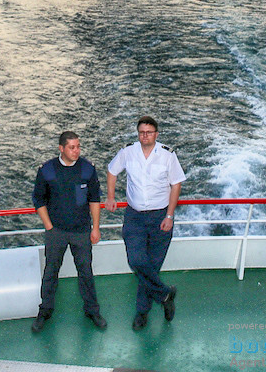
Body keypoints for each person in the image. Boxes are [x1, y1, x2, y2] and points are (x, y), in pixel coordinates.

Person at [106, 115, 186, 331]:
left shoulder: (168, 155)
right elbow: (112, 171)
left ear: (156, 134)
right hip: (135, 216)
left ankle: (142, 313)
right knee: (136, 261)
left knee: (150, 267)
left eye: (149, 132)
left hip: (160, 217)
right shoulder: (128, 152)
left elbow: (176, 184)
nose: (145, 136)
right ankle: (165, 295)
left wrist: (169, 216)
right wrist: (111, 197)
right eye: (141, 132)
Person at [31, 131, 106, 332]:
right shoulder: (47, 171)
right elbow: (38, 200)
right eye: (72, 147)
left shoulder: (87, 169)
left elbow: (94, 199)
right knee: (50, 272)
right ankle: (45, 310)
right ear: (61, 148)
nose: (76, 151)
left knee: (86, 272)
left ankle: (92, 310)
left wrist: (96, 228)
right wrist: (49, 227)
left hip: (81, 231)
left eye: (78, 147)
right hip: (57, 232)